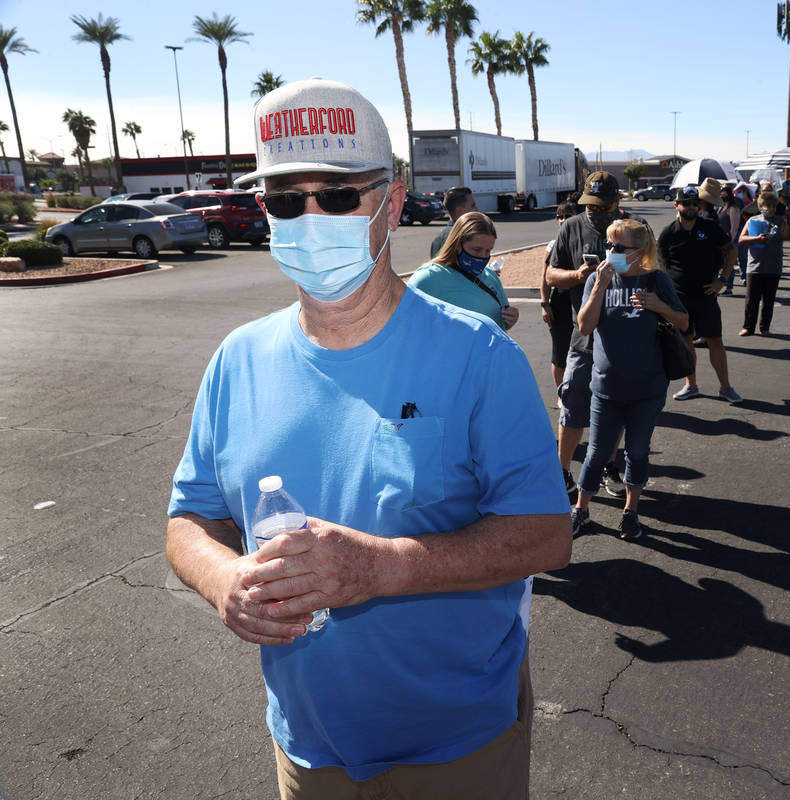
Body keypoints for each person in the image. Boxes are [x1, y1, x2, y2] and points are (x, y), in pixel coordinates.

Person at [165, 78, 571, 799]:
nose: (311, 216)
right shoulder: (238, 359)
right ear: (266, 211)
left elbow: (545, 534)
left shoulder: (478, 356)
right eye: (289, 199)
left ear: (389, 201)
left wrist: (381, 568)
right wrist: (223, 579)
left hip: (458, 747)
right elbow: (191, 519)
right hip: (308, 747)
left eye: (340, 194)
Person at [571, 218, 689, 540]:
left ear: (640, 252)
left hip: (647, 389)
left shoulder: (656, 281)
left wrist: (658, 306)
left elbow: (683, 321)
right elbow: (584, 327)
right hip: (606, 387)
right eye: (608, 245)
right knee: (596, 453)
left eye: (620, 247)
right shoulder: (599, 279)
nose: (611, 252)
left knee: (636, 452)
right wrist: (598, 286)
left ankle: (630, 512)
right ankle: (581, 510)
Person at [545, 172, 644, 497]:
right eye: (590, 205)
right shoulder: (572, 226)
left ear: (617, 203)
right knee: (573, 406)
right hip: (583, 337)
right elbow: (550, 273)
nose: (595, 213)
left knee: (616, 408)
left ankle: (608, 465)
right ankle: (561, 474)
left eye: (602, 207)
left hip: (623, 338)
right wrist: (578, 275)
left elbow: (655, 270)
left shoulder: (634, 228)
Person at [658, 186, 743, 403]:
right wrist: (667, 289)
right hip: (679, 298)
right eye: (686, 203)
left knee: (715, 341)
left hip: (706, 295)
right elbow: (660, 262)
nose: (692, 207)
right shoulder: (669, 233)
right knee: (687, 343)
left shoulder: (709, 227)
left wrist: (722, 280)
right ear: (676, 205)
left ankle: (726, 388)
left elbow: (731, 250)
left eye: (695, 204)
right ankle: (691, 385)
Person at [407, 211, 518, 331]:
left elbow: (500, 322)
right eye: (476, 249)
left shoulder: (490, 276)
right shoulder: (428, 278)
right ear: (457, 244)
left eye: (488, 251)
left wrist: (511, 318)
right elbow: (405, 323)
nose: (482, 256)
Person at [540, 201, 579, 388]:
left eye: (568, 216)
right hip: (560, 303)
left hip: (582, 303)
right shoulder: (552, 245)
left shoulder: (585, 242)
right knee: (560, 354)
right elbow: (545, 277)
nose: (563, 220)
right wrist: (544, 304)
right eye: (559, 216)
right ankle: (561, 395)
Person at [738, 189, 786, 336]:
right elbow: (741, 239)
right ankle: (748, 327)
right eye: (766, 205)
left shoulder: (780, 221)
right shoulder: (753, 221)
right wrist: (756, 239)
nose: (770, 207)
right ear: (760, 206)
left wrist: (787, 218)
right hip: (754, 267)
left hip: (773, 266)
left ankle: (764, 327)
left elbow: (788, 236)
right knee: (751, 300)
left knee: (769, 300)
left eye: (772, 205)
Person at [428, 185, 477, 258]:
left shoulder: (439, 238)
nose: (477, 209)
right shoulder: (460, 238)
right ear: (459, 210)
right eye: (473, 206)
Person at [718, 186, 743, 294]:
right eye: (720, 195)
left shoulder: (733, 208)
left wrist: (729, 243)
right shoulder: (721, 207)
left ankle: (729, 288)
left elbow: (734, 227)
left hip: (730, 239)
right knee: (720, 264)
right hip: (720, 239)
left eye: (723, 194)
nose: (721, 196)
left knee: (729, 263)